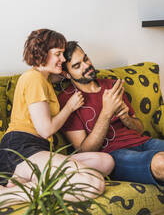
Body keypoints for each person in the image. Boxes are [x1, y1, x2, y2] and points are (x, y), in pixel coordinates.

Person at [0, 29, 115, 206]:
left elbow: (64, 74)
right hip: (21, 150)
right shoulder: (33, 78)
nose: (63, 59)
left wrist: (67, 72)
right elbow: (45, 129)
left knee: (105, 162)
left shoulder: (44, 79)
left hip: (39, 149)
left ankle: (21, 181)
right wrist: (69, 107)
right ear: (41, 54)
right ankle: (10, 194)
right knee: (94, 182)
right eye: (58, 54)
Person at [58, 40, 164, 186]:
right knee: (162, 162)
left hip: (143, 142)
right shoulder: (68, 100)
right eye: (77, 66)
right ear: (67, 74)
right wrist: (106, 112)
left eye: (86, 59)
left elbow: (139, 129)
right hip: (114, 154)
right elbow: (84, 151)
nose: (86, 65)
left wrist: (125, 117)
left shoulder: (111, 85)